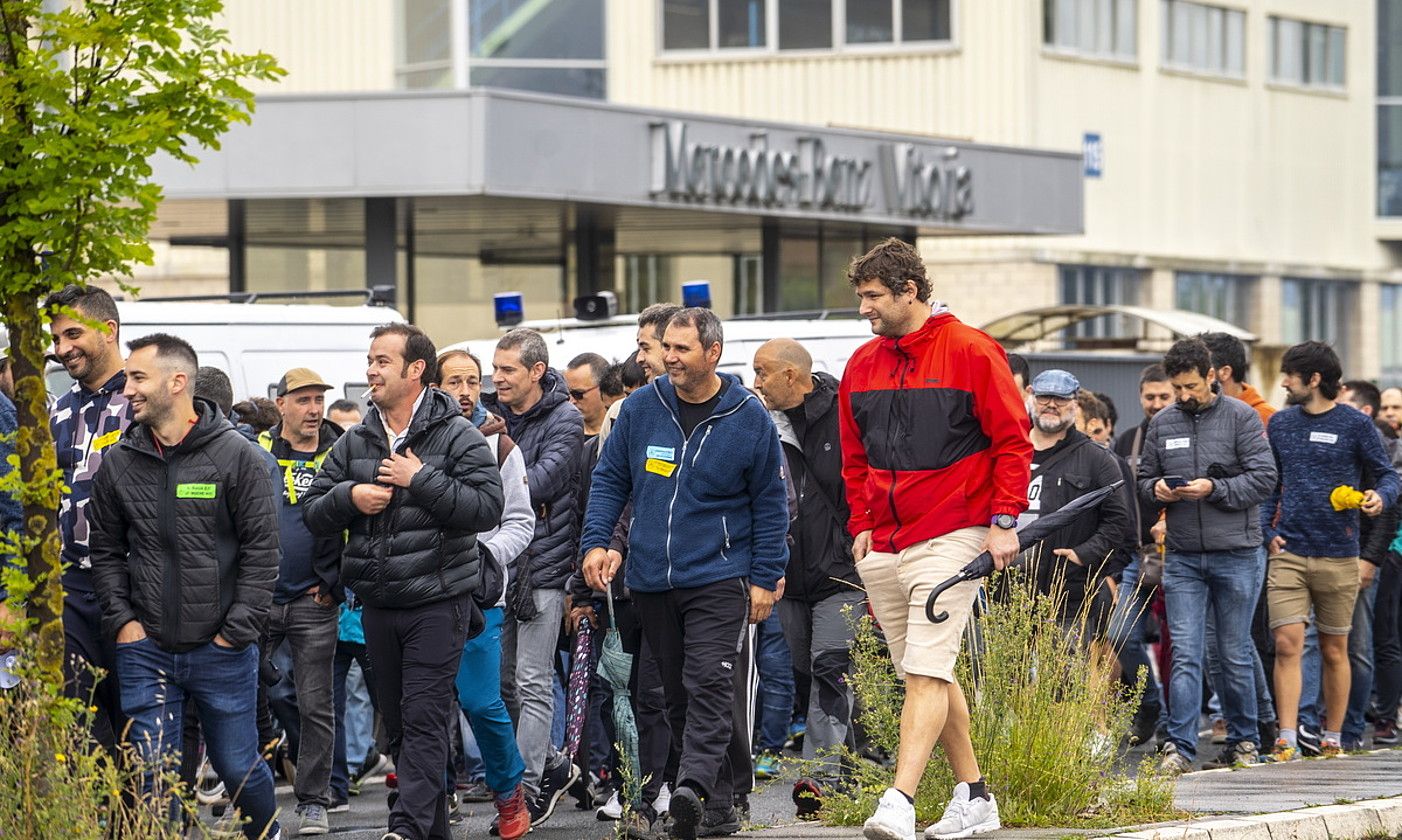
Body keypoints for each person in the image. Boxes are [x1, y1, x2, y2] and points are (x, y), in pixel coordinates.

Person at [837, 238, 1031, 840]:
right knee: (930, 673)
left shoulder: (972, 349)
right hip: (886, 539)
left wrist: (1002, 523)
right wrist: (862, 525)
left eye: (873, 297)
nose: (864, 309)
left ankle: (899, 800)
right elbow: (853, 457)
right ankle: (975, 796)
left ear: (908, 292)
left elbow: (1013, 440)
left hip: (954, 531)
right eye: (862, 297)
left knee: (924, 671)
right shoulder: (861, 363)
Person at [582, 307, 790, 840]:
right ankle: (715, 809)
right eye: (665, 348)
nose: (668, 358)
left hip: (721, 576)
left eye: (681, 349)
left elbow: (771, 505)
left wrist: (766, 577)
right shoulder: (641, 408)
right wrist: (597, 544)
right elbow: (610, 481)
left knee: (709, 681)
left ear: (713, 353)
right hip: (652, 577)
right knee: (674, 693)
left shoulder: (748, 416)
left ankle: (691, 787)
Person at [303, 322, 505, 840]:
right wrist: (351, 497)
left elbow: (487, 508)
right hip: (376, 602)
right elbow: (313, 512)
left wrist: (423, 480)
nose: (370, 370)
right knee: (399, 724)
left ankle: (406, 827)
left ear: (416, 370)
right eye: (370, 360)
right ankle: (430, 829)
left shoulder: (457, 434)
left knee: (423, 716)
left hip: (439, 599)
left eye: (382, 361)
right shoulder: (356, 439)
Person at [86, 333, 281, 840]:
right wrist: (124, 622)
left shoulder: (237, 457)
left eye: (137, 377)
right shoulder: (120, 461)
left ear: (178, 383)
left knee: (237, 767)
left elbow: (263, 555)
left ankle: (269, 832)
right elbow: (104, 551)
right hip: (145, 649)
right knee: (153, 775)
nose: (126, 388)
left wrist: (236, 632)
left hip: (223, 647)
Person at [1137, 337, 1277, 773]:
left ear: (1213, 375)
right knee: (1185, 653)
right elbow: (1144, 478)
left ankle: (1244, 740)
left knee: (1233, 652)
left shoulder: (1241, 418)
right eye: (1177, 387)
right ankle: (1179, 746)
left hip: (1237, 552)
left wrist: (1214, 489)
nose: (1184, 396)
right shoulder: (1163, 423)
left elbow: (1264, 478)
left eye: (1191, 386)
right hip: (1182, 556)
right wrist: (1156, 490)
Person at [1262, 341, 1400, 761]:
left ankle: (1333, 737)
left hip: (1340, 553)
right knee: (1286, 643)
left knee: (1334, 648)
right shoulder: (1281, 424)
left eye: (1289, 375)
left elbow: (1387, 476)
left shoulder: (1357, 426)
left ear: (1314, 378)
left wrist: (1380, 496)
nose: (1284, 382)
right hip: (1288, 550)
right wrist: (1264, 528)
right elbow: (1271, 483)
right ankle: (1286, 738)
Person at [751, 337, 864, 818]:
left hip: (842, 572)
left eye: (762, 373)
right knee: (808, 670)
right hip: (788, 576)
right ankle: (861, 763)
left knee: (829, 667)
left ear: (791, 377)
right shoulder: (758, 421)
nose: (755, 383)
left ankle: (820, 779)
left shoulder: (845, 413)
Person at [481, 328, 585, 825]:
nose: (496, 378)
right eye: (495, 368)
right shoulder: (485, 415)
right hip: (497, 567)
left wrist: (486, 487)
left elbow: (543, 481)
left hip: (544, 567)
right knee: (501, 687)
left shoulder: (564, 417)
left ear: (537, 372)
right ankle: (557, 763)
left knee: (533, 681)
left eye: (507, 370)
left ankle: (526, 786)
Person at [437, 348, 536, 840]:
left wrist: (486, 557)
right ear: (433, 385)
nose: (465, 390)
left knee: (480, 701)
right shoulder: (413, 441)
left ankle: (509, 793)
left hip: (478, 596)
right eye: (454, 380)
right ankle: (428, 803)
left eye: (473, 381)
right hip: (420, 591)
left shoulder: (501, 447)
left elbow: (522, 521)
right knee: (423, 706)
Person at [255, 367, 346, 834]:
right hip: (259, 600)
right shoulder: (258, 450)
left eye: (319, 400)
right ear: (282, 404)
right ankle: (250, 793)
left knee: (316, 705)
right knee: (248, 696)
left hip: (316, 602)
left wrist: (335, 582)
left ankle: (314, 800)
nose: (314, 410)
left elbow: (357, 523)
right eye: (304, 400)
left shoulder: (341, 452)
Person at [46, 283, 134, 753]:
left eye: (72, 334)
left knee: (137, 724)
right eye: (56, 339)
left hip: (132, 584)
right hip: (72, 588)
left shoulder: (141, 405)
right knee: (82, 726)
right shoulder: (58, 411)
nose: (62, 349)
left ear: (109, 329)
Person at [1023, 371, 1129, 638]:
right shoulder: (1006, 449)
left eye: (1060, 398)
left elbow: (1117, 522)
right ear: (1031, 397)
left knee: (1066, 677)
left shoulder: (1098, 459)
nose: (1051, 404)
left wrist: (1083, 554)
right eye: (1044, 396)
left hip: (1067, 594)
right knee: (1004, 677)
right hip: (1004, 592)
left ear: (1074, 404)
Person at [1108, 364, 1174, 744]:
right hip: (1134, 556)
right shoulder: (1127, 441)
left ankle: (1170, 728)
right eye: (1150, 397)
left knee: (1179, 645)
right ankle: (1150, 704)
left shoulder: (1184, 436)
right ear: (1140, 397)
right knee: (1119, 635)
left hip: (1176, 553)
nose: (1156, 403)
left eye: (1164, 396)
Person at [566, 352, 610, 438]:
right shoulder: (561, 435)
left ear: (602, 388)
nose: (571, 401)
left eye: (578, 394)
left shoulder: (621, 433)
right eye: (567, 393)